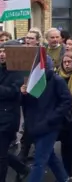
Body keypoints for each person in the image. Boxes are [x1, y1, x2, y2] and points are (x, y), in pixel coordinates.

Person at [21, 48, 72, 182]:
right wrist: (23, 93)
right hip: (35, 125)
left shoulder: (56, 80)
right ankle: (64, 178)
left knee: (39, 161)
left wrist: (52, 119)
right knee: (49, 156)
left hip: (49, 126)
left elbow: (67, 101)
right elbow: (25, 103)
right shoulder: (31, 82)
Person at [0, 41, 30, 182]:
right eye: (0, 51)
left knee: (1, 156)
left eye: (5, 51)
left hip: (8, 118)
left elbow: (13, 92)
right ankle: (22, 168)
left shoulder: (20, 72)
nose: (2, 54)